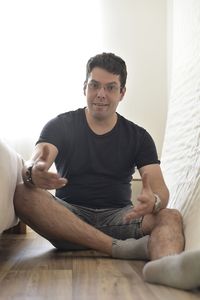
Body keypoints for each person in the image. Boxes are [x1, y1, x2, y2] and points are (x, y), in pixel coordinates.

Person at [14, 52, 184, 265]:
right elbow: (34, 162)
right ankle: (116, 248)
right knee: (22, 193)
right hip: (68, 222)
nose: (101, 94)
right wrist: (32, 172)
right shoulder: (60, 125)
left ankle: (167, 269)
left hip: (121, 219)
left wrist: (155, 201)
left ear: (122, 93)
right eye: (94, 85)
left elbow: (161, 191)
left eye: (110, 87)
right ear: (84, 87)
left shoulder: (139, 136)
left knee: (171, 216)